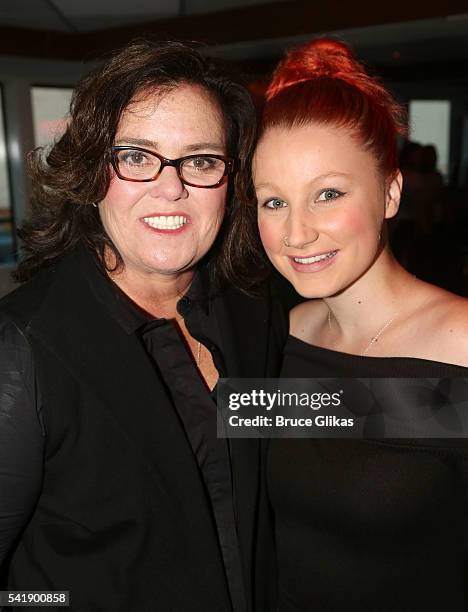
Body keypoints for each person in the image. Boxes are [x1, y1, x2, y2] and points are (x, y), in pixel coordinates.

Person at [0, 40, 286, 611]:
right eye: (136, 156)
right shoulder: (24, 346)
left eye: (202, 160)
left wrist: (444, 392)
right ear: (89, 170)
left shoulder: (253, 310)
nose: (171, 186)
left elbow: (330, 418)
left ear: (232, 184)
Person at [249, 38, 468, 611]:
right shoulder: (282, 334)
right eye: (273, 202)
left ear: (391, 192)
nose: (297, 233)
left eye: (328, 194)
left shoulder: (462, 344)